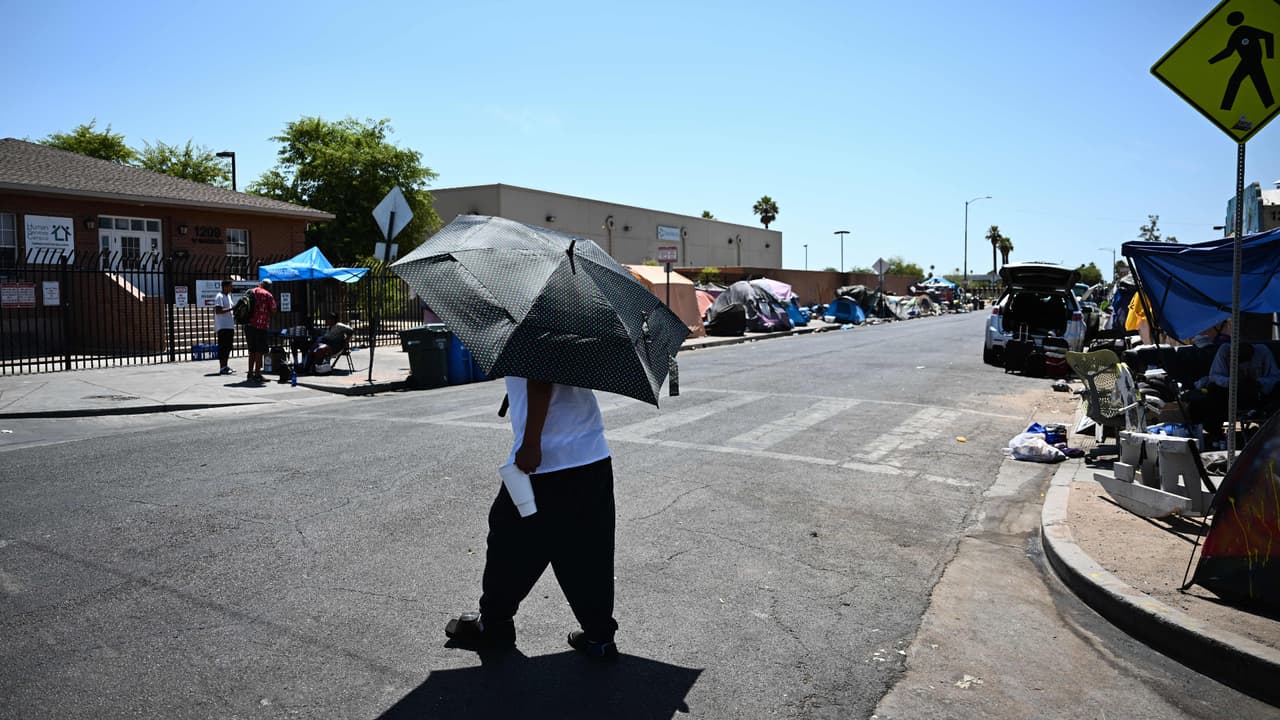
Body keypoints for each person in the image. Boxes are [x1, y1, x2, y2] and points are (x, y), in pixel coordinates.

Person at [445, 377, 619, 659]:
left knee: (509, 542)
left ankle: (494, 623)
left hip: (545, 462)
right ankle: (600, 635)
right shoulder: (577, 333)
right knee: (589, 549)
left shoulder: (534, 337)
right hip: (591, 455)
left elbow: (540, 379)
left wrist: (531, 442)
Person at [1182, 341, 1280, 441]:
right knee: (1212, 392)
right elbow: (1215, 376)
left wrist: (1258, 382)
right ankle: (1215, 433)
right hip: (1230, 393)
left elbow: (1275, 376)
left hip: (1258, 393)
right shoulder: (1224, 350)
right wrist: (1234, 382)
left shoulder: (1262, 351)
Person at [245, 279, 277, 383]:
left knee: (252, 351)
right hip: (261, 326)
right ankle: (257, 374)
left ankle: (250, 373)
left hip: (249, 325)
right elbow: (273, 309)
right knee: (259, 351)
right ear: (269, 287)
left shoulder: (251, 291)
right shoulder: (268, 295)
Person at [212, 280, 236, 375]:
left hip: (229, 325)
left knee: (228, 347)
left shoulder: (228, 296)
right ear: (225, 287)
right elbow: (218, 311)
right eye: (230, 286)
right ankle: (222, 367)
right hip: (223, 326)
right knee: (223, 347)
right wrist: (231, 308)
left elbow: (231, 307)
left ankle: (226, 365)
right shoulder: (219, 296)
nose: (232, 288)